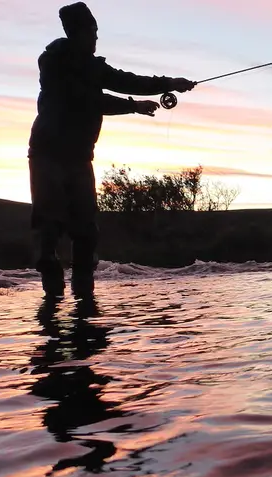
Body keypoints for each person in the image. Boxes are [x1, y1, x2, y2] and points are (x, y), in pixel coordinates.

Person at [27, 2, 196, 299]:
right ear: (77, 32)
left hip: (80, 157)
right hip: (48, 155)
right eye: (92, 31)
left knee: (85, 230)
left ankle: (83, 299)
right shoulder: (54, 64)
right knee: (49, 225)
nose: (96, 37)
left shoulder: (93, 66)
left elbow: (126, 80)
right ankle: (51, 298)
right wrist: (133, 106)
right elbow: (87, 100)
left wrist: (170, 83)